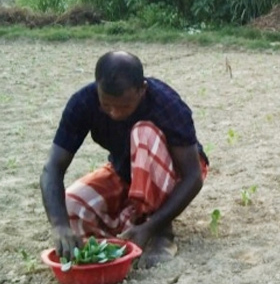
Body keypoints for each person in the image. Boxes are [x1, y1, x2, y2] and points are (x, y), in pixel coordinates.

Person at [40, 51, 209, 268]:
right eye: (106, 105)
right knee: (72, 207)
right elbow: (52, 168)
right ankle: (132, 225)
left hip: (177, 172)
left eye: (124, 106)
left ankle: (161, 231)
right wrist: (59, 225)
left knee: (143, 133)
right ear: (97, 88)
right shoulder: (83, 102)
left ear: (142, 90)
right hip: (125, 169)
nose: (114, 113)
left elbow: (194, 176)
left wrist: (151, 227)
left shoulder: (166, 103)